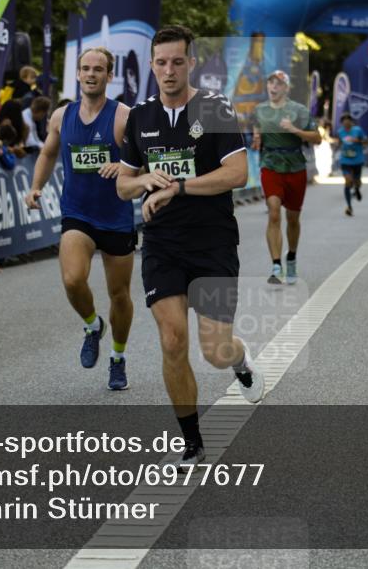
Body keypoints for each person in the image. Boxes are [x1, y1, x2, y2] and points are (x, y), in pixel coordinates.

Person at [116, 25, 264, 469]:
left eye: (177, 62)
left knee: (215, 351)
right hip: (162, 244)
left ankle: (239, 359)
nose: (169, 70)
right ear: (152, 65)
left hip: (212, 243)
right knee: (171, 338)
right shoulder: (140, 117)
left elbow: (237, 174)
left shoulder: (215, 108)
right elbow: (123, 185)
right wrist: (143, 179)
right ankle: (192, 441)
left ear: (191, 63)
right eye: (161, 62)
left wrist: (178, 186)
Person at [25, 48, 136, 391]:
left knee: (120, 295)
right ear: (77, 74)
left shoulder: (123, 116)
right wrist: (36, 187)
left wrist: (123, 166)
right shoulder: (62, 116)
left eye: (98, 69)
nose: (91, 74)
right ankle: (92, 326)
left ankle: (117, 357)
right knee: (73, 280)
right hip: (78, 214)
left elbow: (146, 159)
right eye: (85, 68)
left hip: (116, 217)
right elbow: (48, 153)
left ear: (109, 75)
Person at [250, 69, 321, 284]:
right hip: (270, 165)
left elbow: (317, 138)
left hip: (295, 167)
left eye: (278, 83)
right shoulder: (259, 110)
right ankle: (276, 266)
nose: (273, 86)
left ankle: (291, 257)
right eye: (271, 82)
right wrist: (257, 138)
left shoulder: (298, 110)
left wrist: (294, 130)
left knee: (292, 218)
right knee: (273, 213)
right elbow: (256, 129)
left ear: (286, 88)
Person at [337, 113, 366, 217]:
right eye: (344, 122)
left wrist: (357, 140)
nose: (346, 123)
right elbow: (339, 143)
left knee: (357, 182)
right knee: (348, 181)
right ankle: (349, 206)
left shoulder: (358, 130)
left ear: (351, 122)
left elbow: (365, 141)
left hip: (357, 160)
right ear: (342, 123)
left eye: (348, 121)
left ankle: (357, 189)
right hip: (345, 160)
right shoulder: (340, 132)